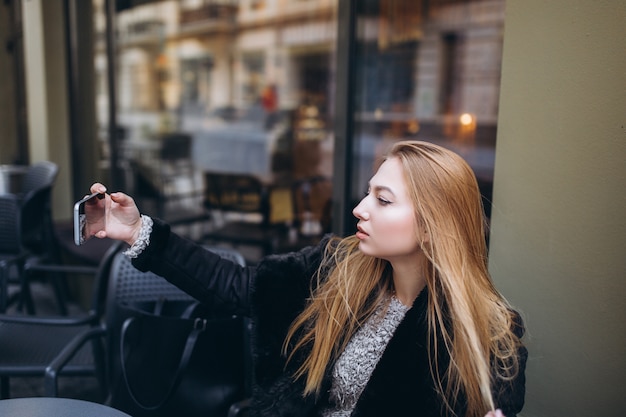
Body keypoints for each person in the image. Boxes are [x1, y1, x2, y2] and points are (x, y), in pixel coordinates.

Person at [90, 140, 527, 417]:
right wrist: (136, 231)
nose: (360, 208)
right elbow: (238, 287)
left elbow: (497, 403)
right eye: (367, 192)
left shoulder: (489, 333)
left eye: (383, 199)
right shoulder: (338, 265)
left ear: (432, 226)